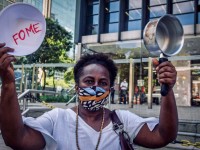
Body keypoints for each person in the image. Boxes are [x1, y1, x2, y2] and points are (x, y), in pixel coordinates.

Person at [0, 43, 178, 149]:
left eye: (103, 83)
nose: (95, 87)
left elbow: (163, 136)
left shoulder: (123, 120)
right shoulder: (57, 119)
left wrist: (167, 90)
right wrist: (8, 84)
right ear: (77, 88)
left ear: (110, 89)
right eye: (89, 81)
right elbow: (16, 139)